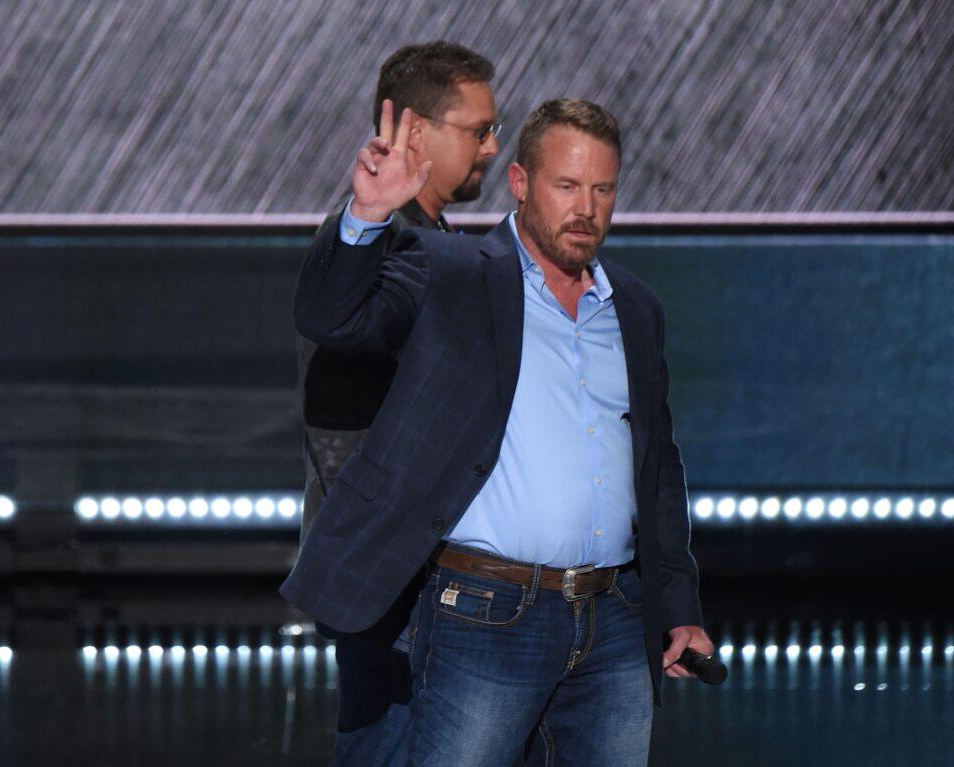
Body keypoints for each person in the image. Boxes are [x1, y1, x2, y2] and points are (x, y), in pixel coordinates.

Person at [284, 98, 715, 766]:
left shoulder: (631, 305)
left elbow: (656, 468)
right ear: (520, 184)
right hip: (487, 615)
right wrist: (366, 217)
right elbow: (329, 317)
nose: (587, 207)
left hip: (614, 622)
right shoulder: (452, 274)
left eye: (603, 188)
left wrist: (678, 603)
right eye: (567, 186)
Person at [297, 41, 501, 765]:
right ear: (418, 132)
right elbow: (329, 322)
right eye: (478, 130)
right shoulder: (377, 239)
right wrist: (363, 217)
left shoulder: (429, 238)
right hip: (391, 577)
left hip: (419, 575)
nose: (492, 146)